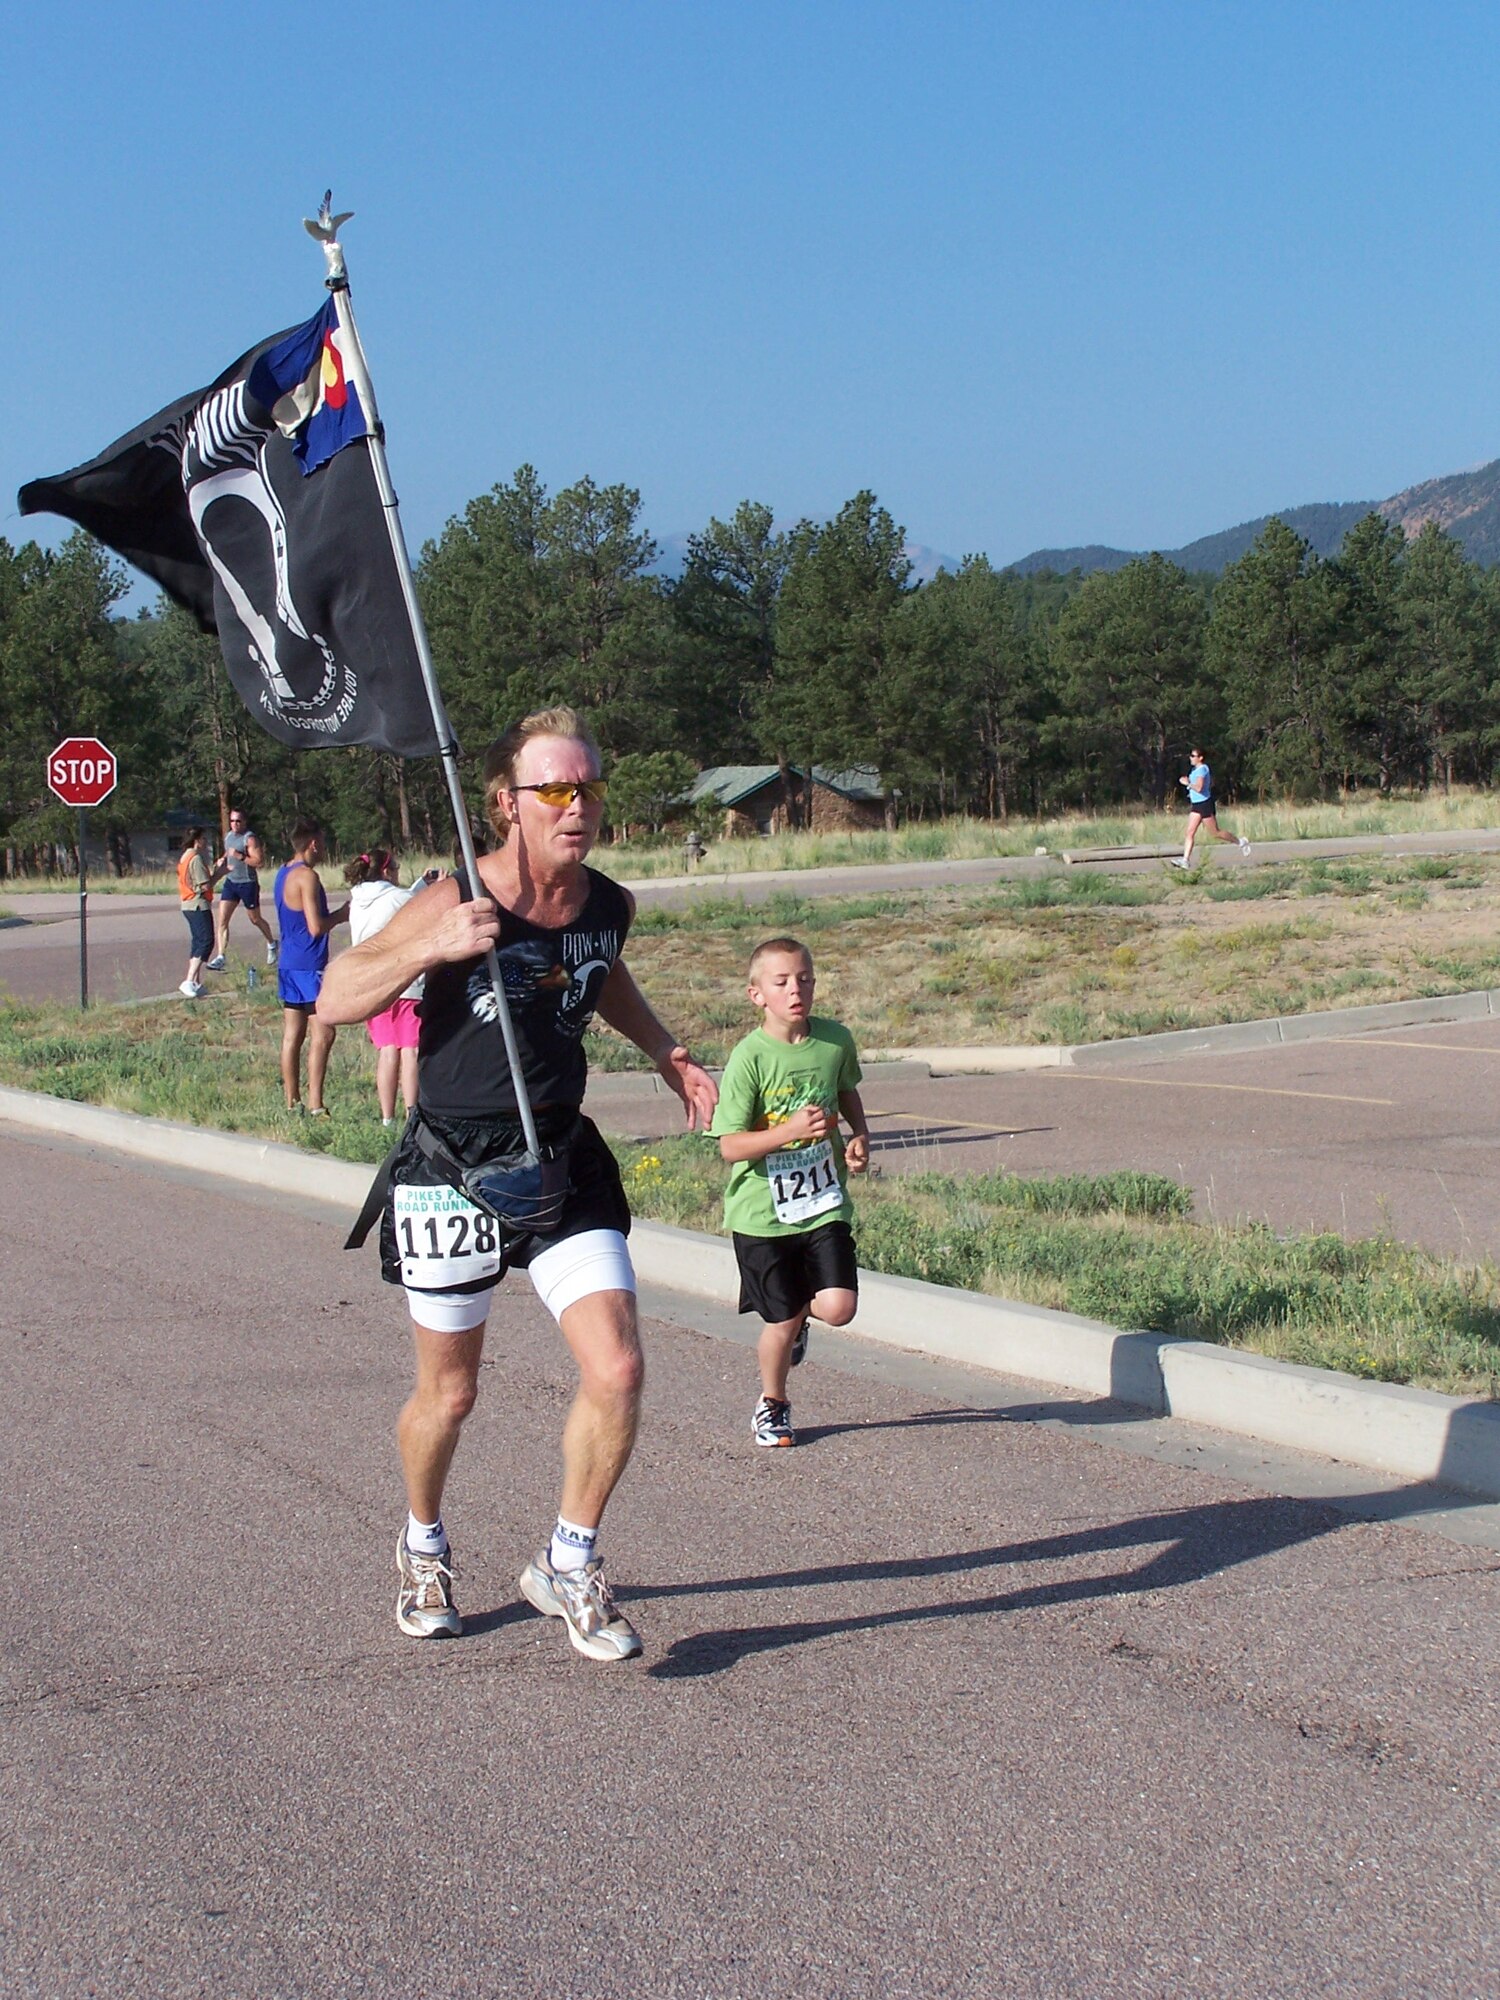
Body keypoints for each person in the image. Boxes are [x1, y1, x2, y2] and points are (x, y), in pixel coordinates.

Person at [317, 707, 717, 1662]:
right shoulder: (455, 894)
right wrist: (431, 946)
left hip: (561, 1162)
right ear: (507, 804)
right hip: (450, 1169)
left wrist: (667, 1052)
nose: (577, 806)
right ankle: (422, 1542)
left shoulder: (607, 903)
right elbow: (334, 995)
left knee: (617, 1365)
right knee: (450, 1396)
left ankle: (568, 1561)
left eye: (588, 788)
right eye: (556, 790)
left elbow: (601, 972)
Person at [711, 937, 869, 1446]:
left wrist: (859, 1135)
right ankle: (773, 1404)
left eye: (803, 979)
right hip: (762, 1214)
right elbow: (730, 1146)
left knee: (840, 1306)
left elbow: (846, 1090)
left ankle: (803, 1314)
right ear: (757, 995)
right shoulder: (749, 1059)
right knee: (779, 1319)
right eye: (780, 983)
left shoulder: (834, 1041)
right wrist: (787, 1133)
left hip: (823, 1203)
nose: (795, 990)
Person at [344, 849, 441, 1127]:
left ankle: (387, 1117)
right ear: (387, 871)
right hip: (406, 982)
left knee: (387, 1049)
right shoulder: (399, 897)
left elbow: (396, 901)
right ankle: (412, 1113)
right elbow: (414, 907)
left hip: (374, 984)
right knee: (409, 1050)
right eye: (396, 867)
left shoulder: (358, 900)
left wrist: (420, 884)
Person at [275, 819, 349, 1115]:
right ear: (313, 844)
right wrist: (342, 915)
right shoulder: (307, 877)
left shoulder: (283, 873)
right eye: (322, 842)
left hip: (288, 962)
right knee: (325, 1032)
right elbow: (316, 926)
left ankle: (292, 1101)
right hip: (309, 964)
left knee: (293, 1034)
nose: (324, 849)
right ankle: (316, 1102)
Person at [205, 808, 277, 970]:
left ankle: (272, 944)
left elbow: (259, 862)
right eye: (232, 821)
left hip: (247, 883)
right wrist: (222, 859)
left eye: (238, 821)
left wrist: (241, 856)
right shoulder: (229, 836)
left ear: (244, 822)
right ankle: (221, 956)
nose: (234, 824)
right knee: (222, 920)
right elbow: (228, 852)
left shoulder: (249, 839)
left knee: (255, 919)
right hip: (231, 882)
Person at [1173, 746, 1251, 869]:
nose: (1190, 758)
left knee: (1215, 833)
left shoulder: (1203, 769)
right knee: (1190, 832)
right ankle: (1185, 860)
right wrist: (1188, 781)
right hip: (1196, 805)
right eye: (1190, 755)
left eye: (1193, 756)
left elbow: (1199, 788)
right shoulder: (1194, 770)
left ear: (1200, 758)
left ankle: (1241, 842)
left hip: (1205, 804)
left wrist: (1187, 783)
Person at [175, 826, 224, 998]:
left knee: (198, 941)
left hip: (188, 904)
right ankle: (189, 980)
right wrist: (220, 872)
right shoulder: (195, 858)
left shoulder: (185, 857)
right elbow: (205, 885)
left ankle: (194, 981)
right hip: (197, 904)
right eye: (203, 838)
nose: (205, 842)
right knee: (206, 941)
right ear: (197, 840)